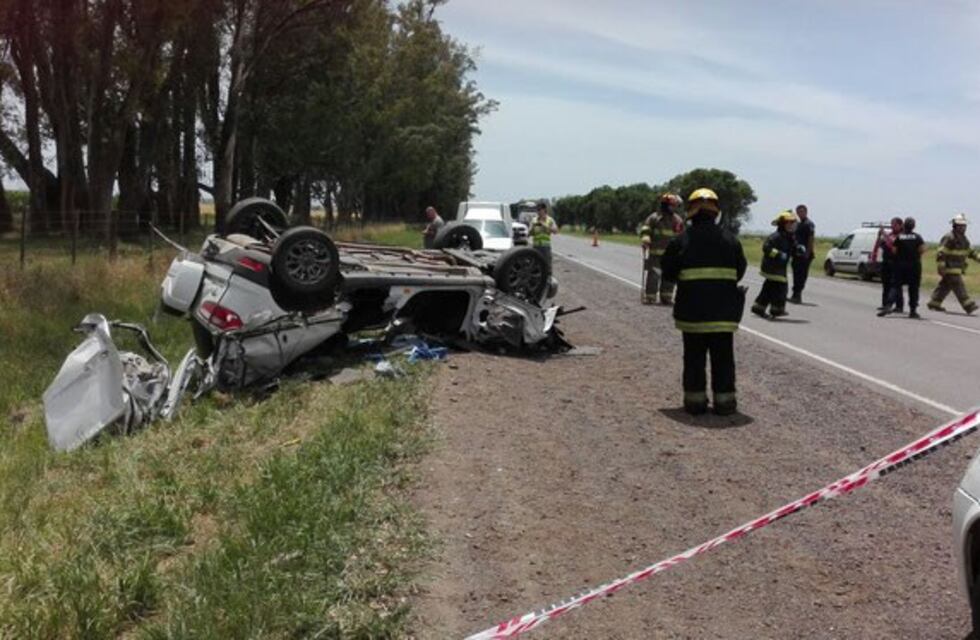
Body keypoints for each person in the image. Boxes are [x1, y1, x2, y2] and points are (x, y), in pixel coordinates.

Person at [662, 188, 747, 416]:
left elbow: (668, 273)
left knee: (694, 359)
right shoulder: (731, 240)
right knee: (724, 359)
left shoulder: (681, 241)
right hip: (723, 315)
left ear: (691, 211)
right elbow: (740, 270)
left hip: (693, 314)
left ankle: (695, 403)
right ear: (715, 211)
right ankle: (725, 403)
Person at [928, 213, 980, 314]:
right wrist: (941, 267)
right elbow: (941, 253)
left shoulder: (964, 239)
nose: (963, 228)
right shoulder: (949, 237)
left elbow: (971, 252)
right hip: (949, 268)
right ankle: (968, 306)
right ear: (955, 226)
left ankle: (934, 303)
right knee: (959, 286)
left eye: (964, 226)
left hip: (957, 268)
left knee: (945, 286)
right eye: (961, 226)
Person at [752, 210, 799, 319]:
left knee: (769, 288)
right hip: (772, 267)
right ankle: (777, 310)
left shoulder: (789, 237)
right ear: (783, 224)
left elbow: (793, 247)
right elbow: (766, 248)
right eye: (789, 223)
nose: (792, 225)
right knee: (781, 289)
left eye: (793, 223)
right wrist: (778, 254)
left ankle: (758, 307)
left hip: (779, 268)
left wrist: (798, 249)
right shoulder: (776, 236)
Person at [639, 193, 684, 305]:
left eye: (675, 206)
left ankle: (666, 297)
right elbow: (646, 229)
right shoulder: (654, 218)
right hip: (656, 254)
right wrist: (645, 238)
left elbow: (681, 235)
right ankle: (650, 297)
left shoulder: (677, 220)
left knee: (669, 277)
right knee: (654, 276)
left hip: (671, 256)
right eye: (672, 205)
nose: (674, 208)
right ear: (665, 205)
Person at [878, 217, 925, 318]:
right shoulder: (917, 237)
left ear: (904, 225)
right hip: (914, 267)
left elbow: (894, 251)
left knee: (895, 286)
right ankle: (913, 310)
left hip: (900, 266)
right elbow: (922, 250)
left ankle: (889, 305)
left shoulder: (900, 237)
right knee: (913, 288)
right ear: (914, 226)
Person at [872, 217, 905, 313]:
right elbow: (881, 245)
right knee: (885, 283)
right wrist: (879, 237)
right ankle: (885, 304)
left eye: (894, 225)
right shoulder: (890, 234)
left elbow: (892, 244)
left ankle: (899, 306)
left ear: (900, 225)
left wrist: (884, 234)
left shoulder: (902, 236)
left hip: (896, 263)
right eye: (891, 224)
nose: (892, 226)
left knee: (895, 285)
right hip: (886, 263)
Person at [789, 204, 815, 304]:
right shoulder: (797, 224)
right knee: (796, 274)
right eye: (798, 212)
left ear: (806, 212)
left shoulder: (809, 224)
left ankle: (797, 295)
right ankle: (795, 295)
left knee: (801, 275)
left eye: (802, 211)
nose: (800, 213)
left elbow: (811, 239)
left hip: (805, 255)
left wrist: (807, 253)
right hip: (796, 254)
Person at [530, 201, 558, 267]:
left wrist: (545, 226)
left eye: (539, 210)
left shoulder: (550, 220)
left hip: (545, 247)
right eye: (537, 210)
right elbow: (529, 233)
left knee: (547, 265)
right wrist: (533, 228)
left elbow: (556, 231)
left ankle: (548, 276)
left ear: (544, 209)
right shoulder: (534, 220)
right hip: (536, 246)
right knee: (535, 265)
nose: (538, 212)